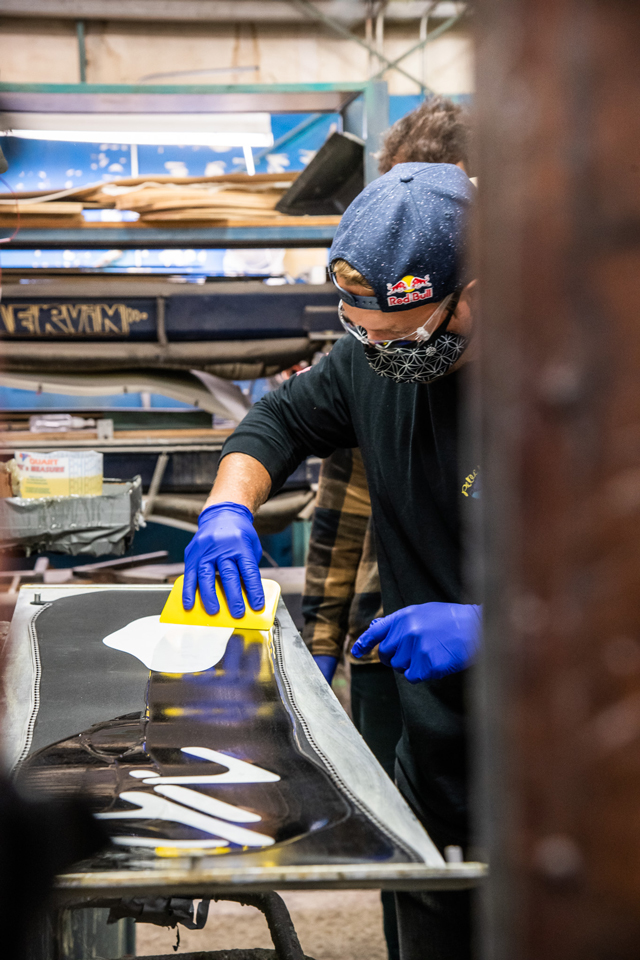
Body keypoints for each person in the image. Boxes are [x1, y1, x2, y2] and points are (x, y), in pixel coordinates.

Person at [182, 162, 480, 960]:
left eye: (401, 336)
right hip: (436, 762)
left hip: (565, 771)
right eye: (362, 330)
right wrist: (227, 507)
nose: (382, 355)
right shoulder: (373, 362)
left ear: (476, 293)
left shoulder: (583, 387)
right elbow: (275, 424)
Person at [302, 97, 472, 960]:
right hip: (403, 642)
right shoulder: (378, 349)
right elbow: (330, 484)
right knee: (408, 855)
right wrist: (320, 641)